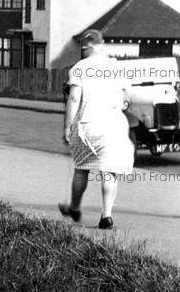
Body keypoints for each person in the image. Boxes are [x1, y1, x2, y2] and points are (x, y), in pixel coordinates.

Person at [58, 29, 133, 230]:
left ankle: (74, 207)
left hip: (87, 127)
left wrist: (67, 126)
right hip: (113, 127)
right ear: (102, 45)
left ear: (86, 47)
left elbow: (73, 99)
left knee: (81, 169)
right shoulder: (116, 66)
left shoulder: (79, 68)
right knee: (109, 172)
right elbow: (127, 97)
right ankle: (106, 216)